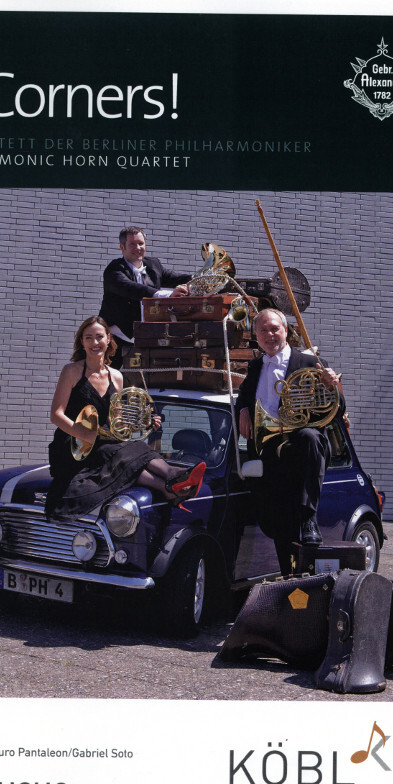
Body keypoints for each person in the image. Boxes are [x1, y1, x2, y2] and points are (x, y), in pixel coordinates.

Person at [44, 316, 205, 519]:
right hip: (73, 445)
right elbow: (56, 414)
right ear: (82, 342)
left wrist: (144, 422)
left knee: (133, 448)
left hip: (103, 441)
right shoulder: (72, 371)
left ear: (108, 338)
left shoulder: (116, 376)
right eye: (89, 338)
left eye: (99, 337)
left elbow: (117, 422)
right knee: (119, 453)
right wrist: (82, 432)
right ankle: (171, 477)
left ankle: (169, 482)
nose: (94, 342)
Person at [234, 308, 344, 574]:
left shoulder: (310, 362)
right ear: (256, 335)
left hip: (302, 452)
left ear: (286, 330)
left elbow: (337, 410)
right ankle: (288, 581)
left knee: (309, 435)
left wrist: (331, 387)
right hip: (269, 453)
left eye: (275, 328)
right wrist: (243, 409)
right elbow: (245, 396)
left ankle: (309, 518)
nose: (269, 334)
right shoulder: (256, 366)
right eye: (263, 330)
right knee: (279, 526)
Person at [99, 226, 192, 368]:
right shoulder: (114, 269)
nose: (138, 248)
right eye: (132, 244)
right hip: (117, 339)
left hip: (147, 338)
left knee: (150, 378)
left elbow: (176, 278)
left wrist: (203, 277)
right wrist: (168, 295)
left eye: (141, 243)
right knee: (106, 378)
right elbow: (131, 288)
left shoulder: (153, 265)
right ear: (122, 247)